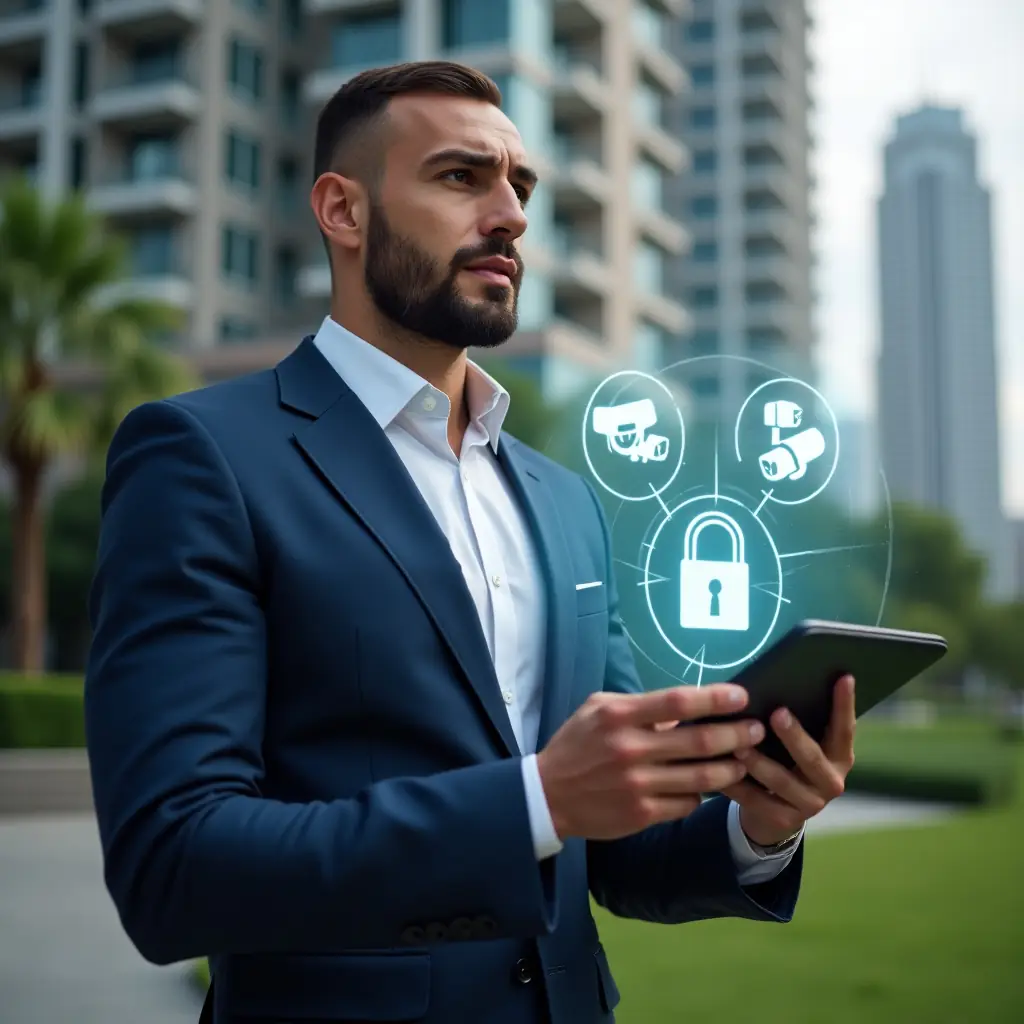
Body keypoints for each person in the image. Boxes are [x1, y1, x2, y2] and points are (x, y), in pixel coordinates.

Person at [84, 61, 856, 1024]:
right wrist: (535, 801)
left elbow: (615, 850)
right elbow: (173, 866)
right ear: (343, 210)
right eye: (462, 177)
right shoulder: (203, 456)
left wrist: (759, 824)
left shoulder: (565, 503)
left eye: (520, 186)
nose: (512, 216)